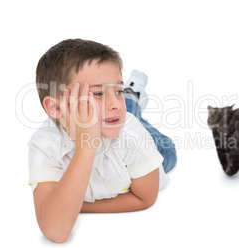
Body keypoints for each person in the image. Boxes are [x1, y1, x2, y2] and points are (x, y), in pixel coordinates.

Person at [28, 39, 177, 243]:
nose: (115, 103)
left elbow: (145, 197)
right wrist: (86, 146)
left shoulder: (130, 132)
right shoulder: (45, 144)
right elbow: (55, 231)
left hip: (144, 143)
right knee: (122, 113)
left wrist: (78, 205)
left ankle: (132, 96)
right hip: (110, 123)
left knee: (165, 149)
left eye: (118, 91)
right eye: (98, 93)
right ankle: (132, 98)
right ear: (55, 108)